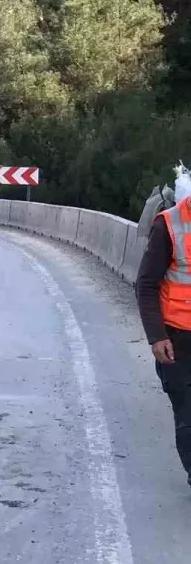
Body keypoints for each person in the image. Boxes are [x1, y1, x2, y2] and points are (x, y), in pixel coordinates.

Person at [136, 166, 191, 487]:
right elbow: (146, 284)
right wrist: (156, 336)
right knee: (187, 411)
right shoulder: (169, 224)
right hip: (176, 337)